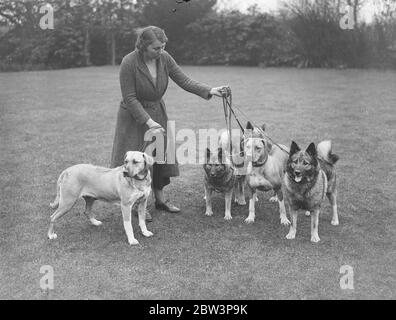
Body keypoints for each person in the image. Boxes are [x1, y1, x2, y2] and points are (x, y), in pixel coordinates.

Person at [110, 25, 226, 221]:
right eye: (156, 48)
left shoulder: (164, 58)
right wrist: (148, 121)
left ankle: (161, 200)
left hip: (157, 112)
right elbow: (129, 98)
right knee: (136, 163)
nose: (161, 51)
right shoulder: (129, 62)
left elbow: (185, 81)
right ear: (143, 46)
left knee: (160, 157)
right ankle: (137, 204)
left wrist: (210, 90)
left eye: (163, 46)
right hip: (134, 117)